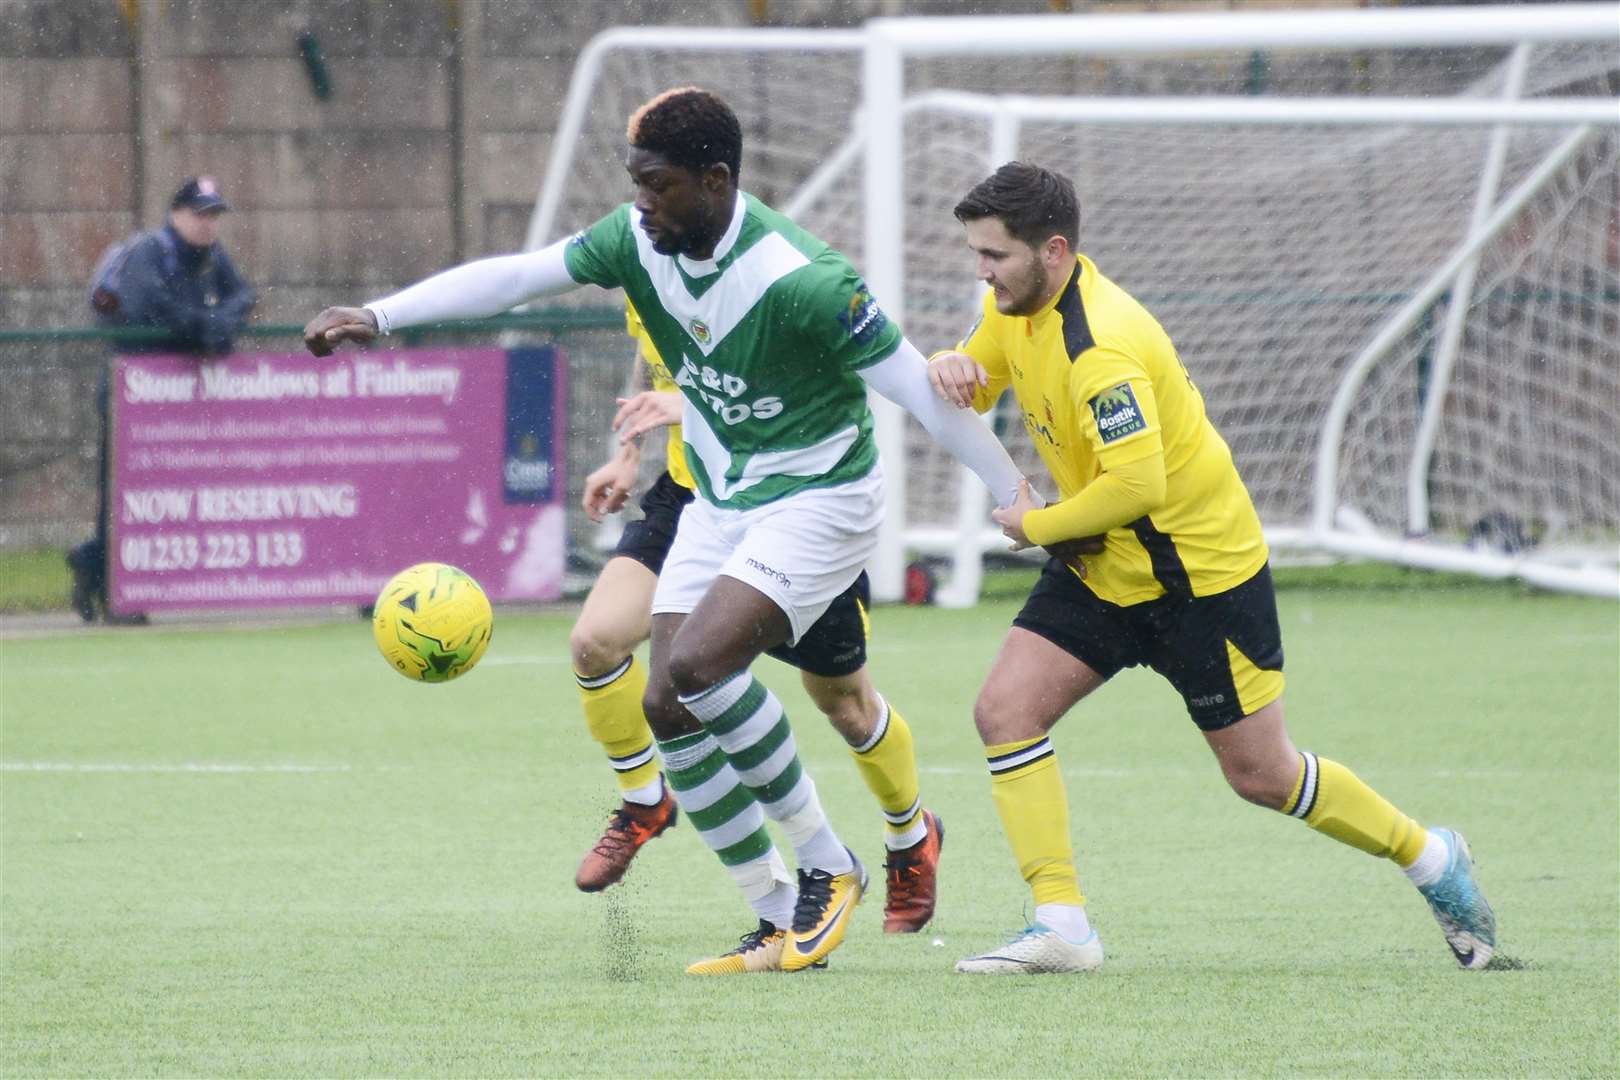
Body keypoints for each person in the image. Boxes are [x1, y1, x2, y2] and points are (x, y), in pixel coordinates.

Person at [303, 88, 1023, 973]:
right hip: (721, 495)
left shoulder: (807, 281)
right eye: (636, 185)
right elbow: (520, 275)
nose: (641, 205)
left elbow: (921, 393)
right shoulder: (641, 239)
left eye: (659, 186)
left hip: (820, 497)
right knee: (664, 700)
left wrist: (1013, 494)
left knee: (709, 669)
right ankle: (771, 911)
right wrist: (382, 314)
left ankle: (831, 867)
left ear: (716, 181)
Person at [927, 162, 1497, 975]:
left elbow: (1138, 485)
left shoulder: (1103, 346)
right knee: (1005, 712)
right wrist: (955, 363)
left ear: (1053, 252)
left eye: (995, 256)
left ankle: (1431, 856)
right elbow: (979, 380)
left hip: (1200, 580)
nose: (981, 271)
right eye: (976, 254)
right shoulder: (1014, 308)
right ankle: (1064, 927)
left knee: (1263, 776)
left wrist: (1035, 526)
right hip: (1104, 564)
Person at [566, 301, 946, 954]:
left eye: (661, 195)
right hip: (692, 501)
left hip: (790, 504)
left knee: (847, 705)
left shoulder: (760, 278)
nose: (651, 210)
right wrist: (628, 451)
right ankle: (651, 803)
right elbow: (651, 358)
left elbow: (795, 390)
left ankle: (911, 835)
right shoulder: (646, 262)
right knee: (598, 645)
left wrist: (694, 409)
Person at [69, 176, 256, 622]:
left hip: (179, 396)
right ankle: (114, 589)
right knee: (126, 491)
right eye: (199, 214)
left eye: (214, 215)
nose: (208, 225)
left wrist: (218, 323)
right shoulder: (151, 251)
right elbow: (145, 303)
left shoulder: (212, 258)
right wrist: (204, 326)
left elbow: (243, 295)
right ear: (176, 214)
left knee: (172, 490)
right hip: (133, 393)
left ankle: (93, 561)